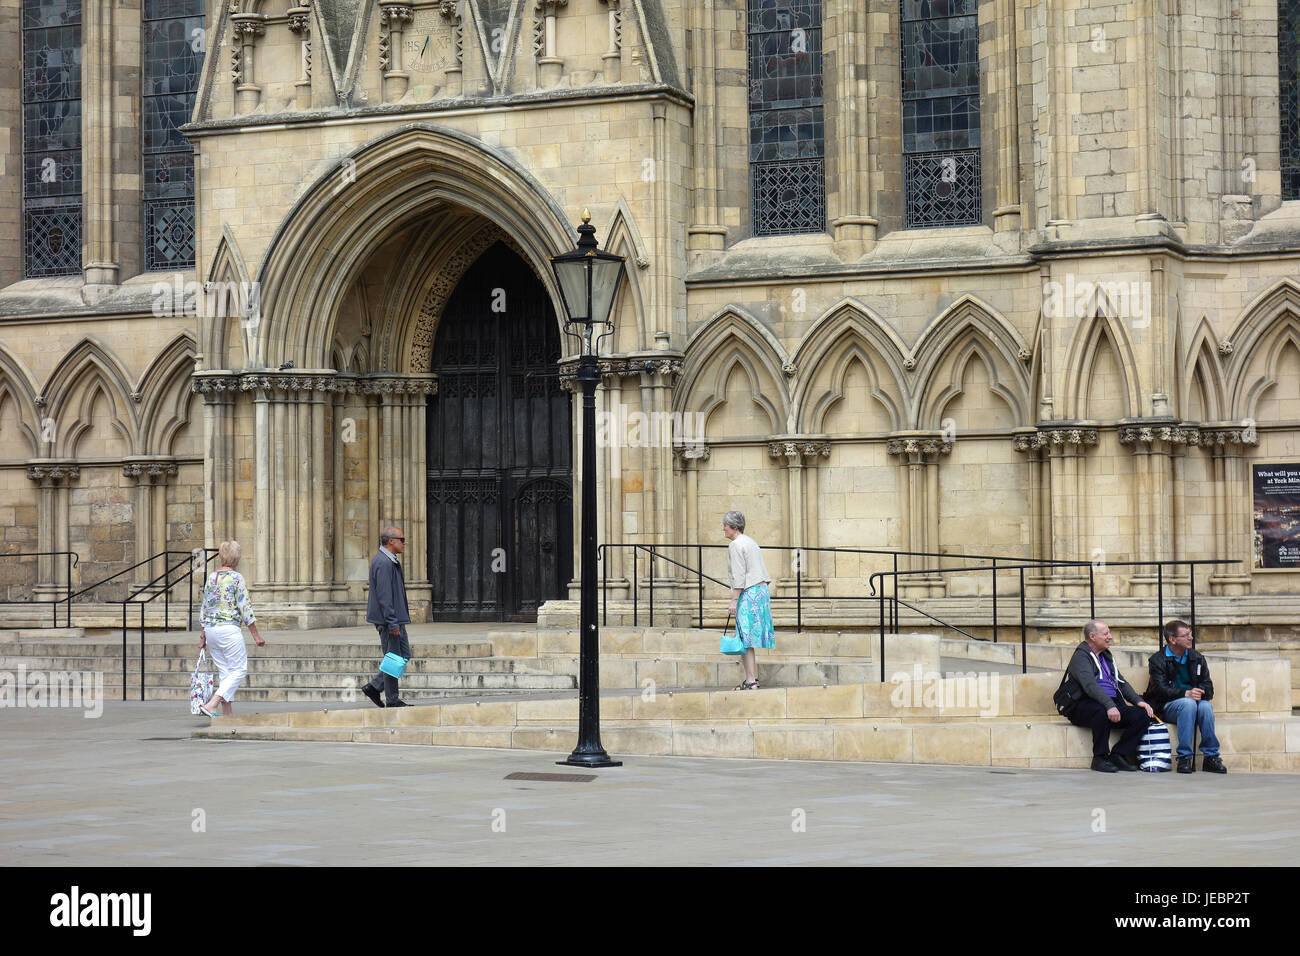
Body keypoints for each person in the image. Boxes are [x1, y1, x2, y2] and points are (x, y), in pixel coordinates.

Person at [1056, 619, 1155, 772]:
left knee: (1142, 715)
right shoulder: (1081, 657)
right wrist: (1109, 705)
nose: (1110, 637)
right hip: (1083, 705)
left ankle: (1119, 754)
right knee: (1100, 711)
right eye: (1106, 634)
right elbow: (1089, 686)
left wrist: (1138, 701)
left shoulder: (1106, 656)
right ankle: (1099, 758)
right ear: (1092, 637)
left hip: (1110, 704)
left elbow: (1121, 682)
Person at [1144, 620, 1226, 774]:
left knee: (1206, 706)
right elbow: (1161, 690)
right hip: (1168, 706)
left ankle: (1211, 757)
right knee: (1188, 704)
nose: (1191, 637)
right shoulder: (1158, 660)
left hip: (1193, 704)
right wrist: (1185, 693)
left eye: (1190, 633)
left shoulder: (1197, 658)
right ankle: (1184, 758)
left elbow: (1209, 687)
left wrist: (1200, 691)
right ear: (1172, 640)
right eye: (1186, 635)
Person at [197, 540, 265, 717]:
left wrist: (203, 637)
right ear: (236, 558)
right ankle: (212, 704)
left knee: (226, 673)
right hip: (228, 629)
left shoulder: (211, 577)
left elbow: (205, 607)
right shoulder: (236, 578)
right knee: (239, 670)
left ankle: (228, 717)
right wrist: (256, 635)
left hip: (211, 630)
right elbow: (245, 607)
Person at [722, 510, 774, 690]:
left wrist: (734, 601)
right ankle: (752, 679)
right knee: (748, 639)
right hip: (761, 591)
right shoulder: (750, 541)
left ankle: (751, 680)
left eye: (726, 526)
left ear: (734, 527)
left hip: (749, 592)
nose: (724, 529)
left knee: (744, 637)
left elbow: (738, 576)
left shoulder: (736, 545)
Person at [362, 526, 413, 708]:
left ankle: (376, 687)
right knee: (394, 657)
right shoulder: (383, 562)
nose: (404, 542)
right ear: (391, 541)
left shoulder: (389, 560)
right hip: (390, 620)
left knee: (402, 655)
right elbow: (384, 596)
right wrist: (392, 622)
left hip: (395, 618)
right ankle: (390, 698)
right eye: (402, 539)